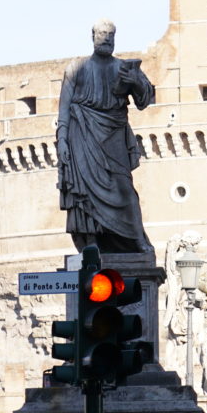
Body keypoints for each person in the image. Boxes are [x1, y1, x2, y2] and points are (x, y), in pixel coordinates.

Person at [56, 19, 157, 253]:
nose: (107, 38)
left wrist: (135, 82)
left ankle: (138, 240)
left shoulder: (124, 68)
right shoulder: (75, 68)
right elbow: (64, 108)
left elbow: (144, 100)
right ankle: (91, 245)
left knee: (125, 190)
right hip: (82, 134)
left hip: (114, 135)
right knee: (85, 192)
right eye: (102, 34)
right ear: (92, 37)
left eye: (111, 35)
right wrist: (62, 140)